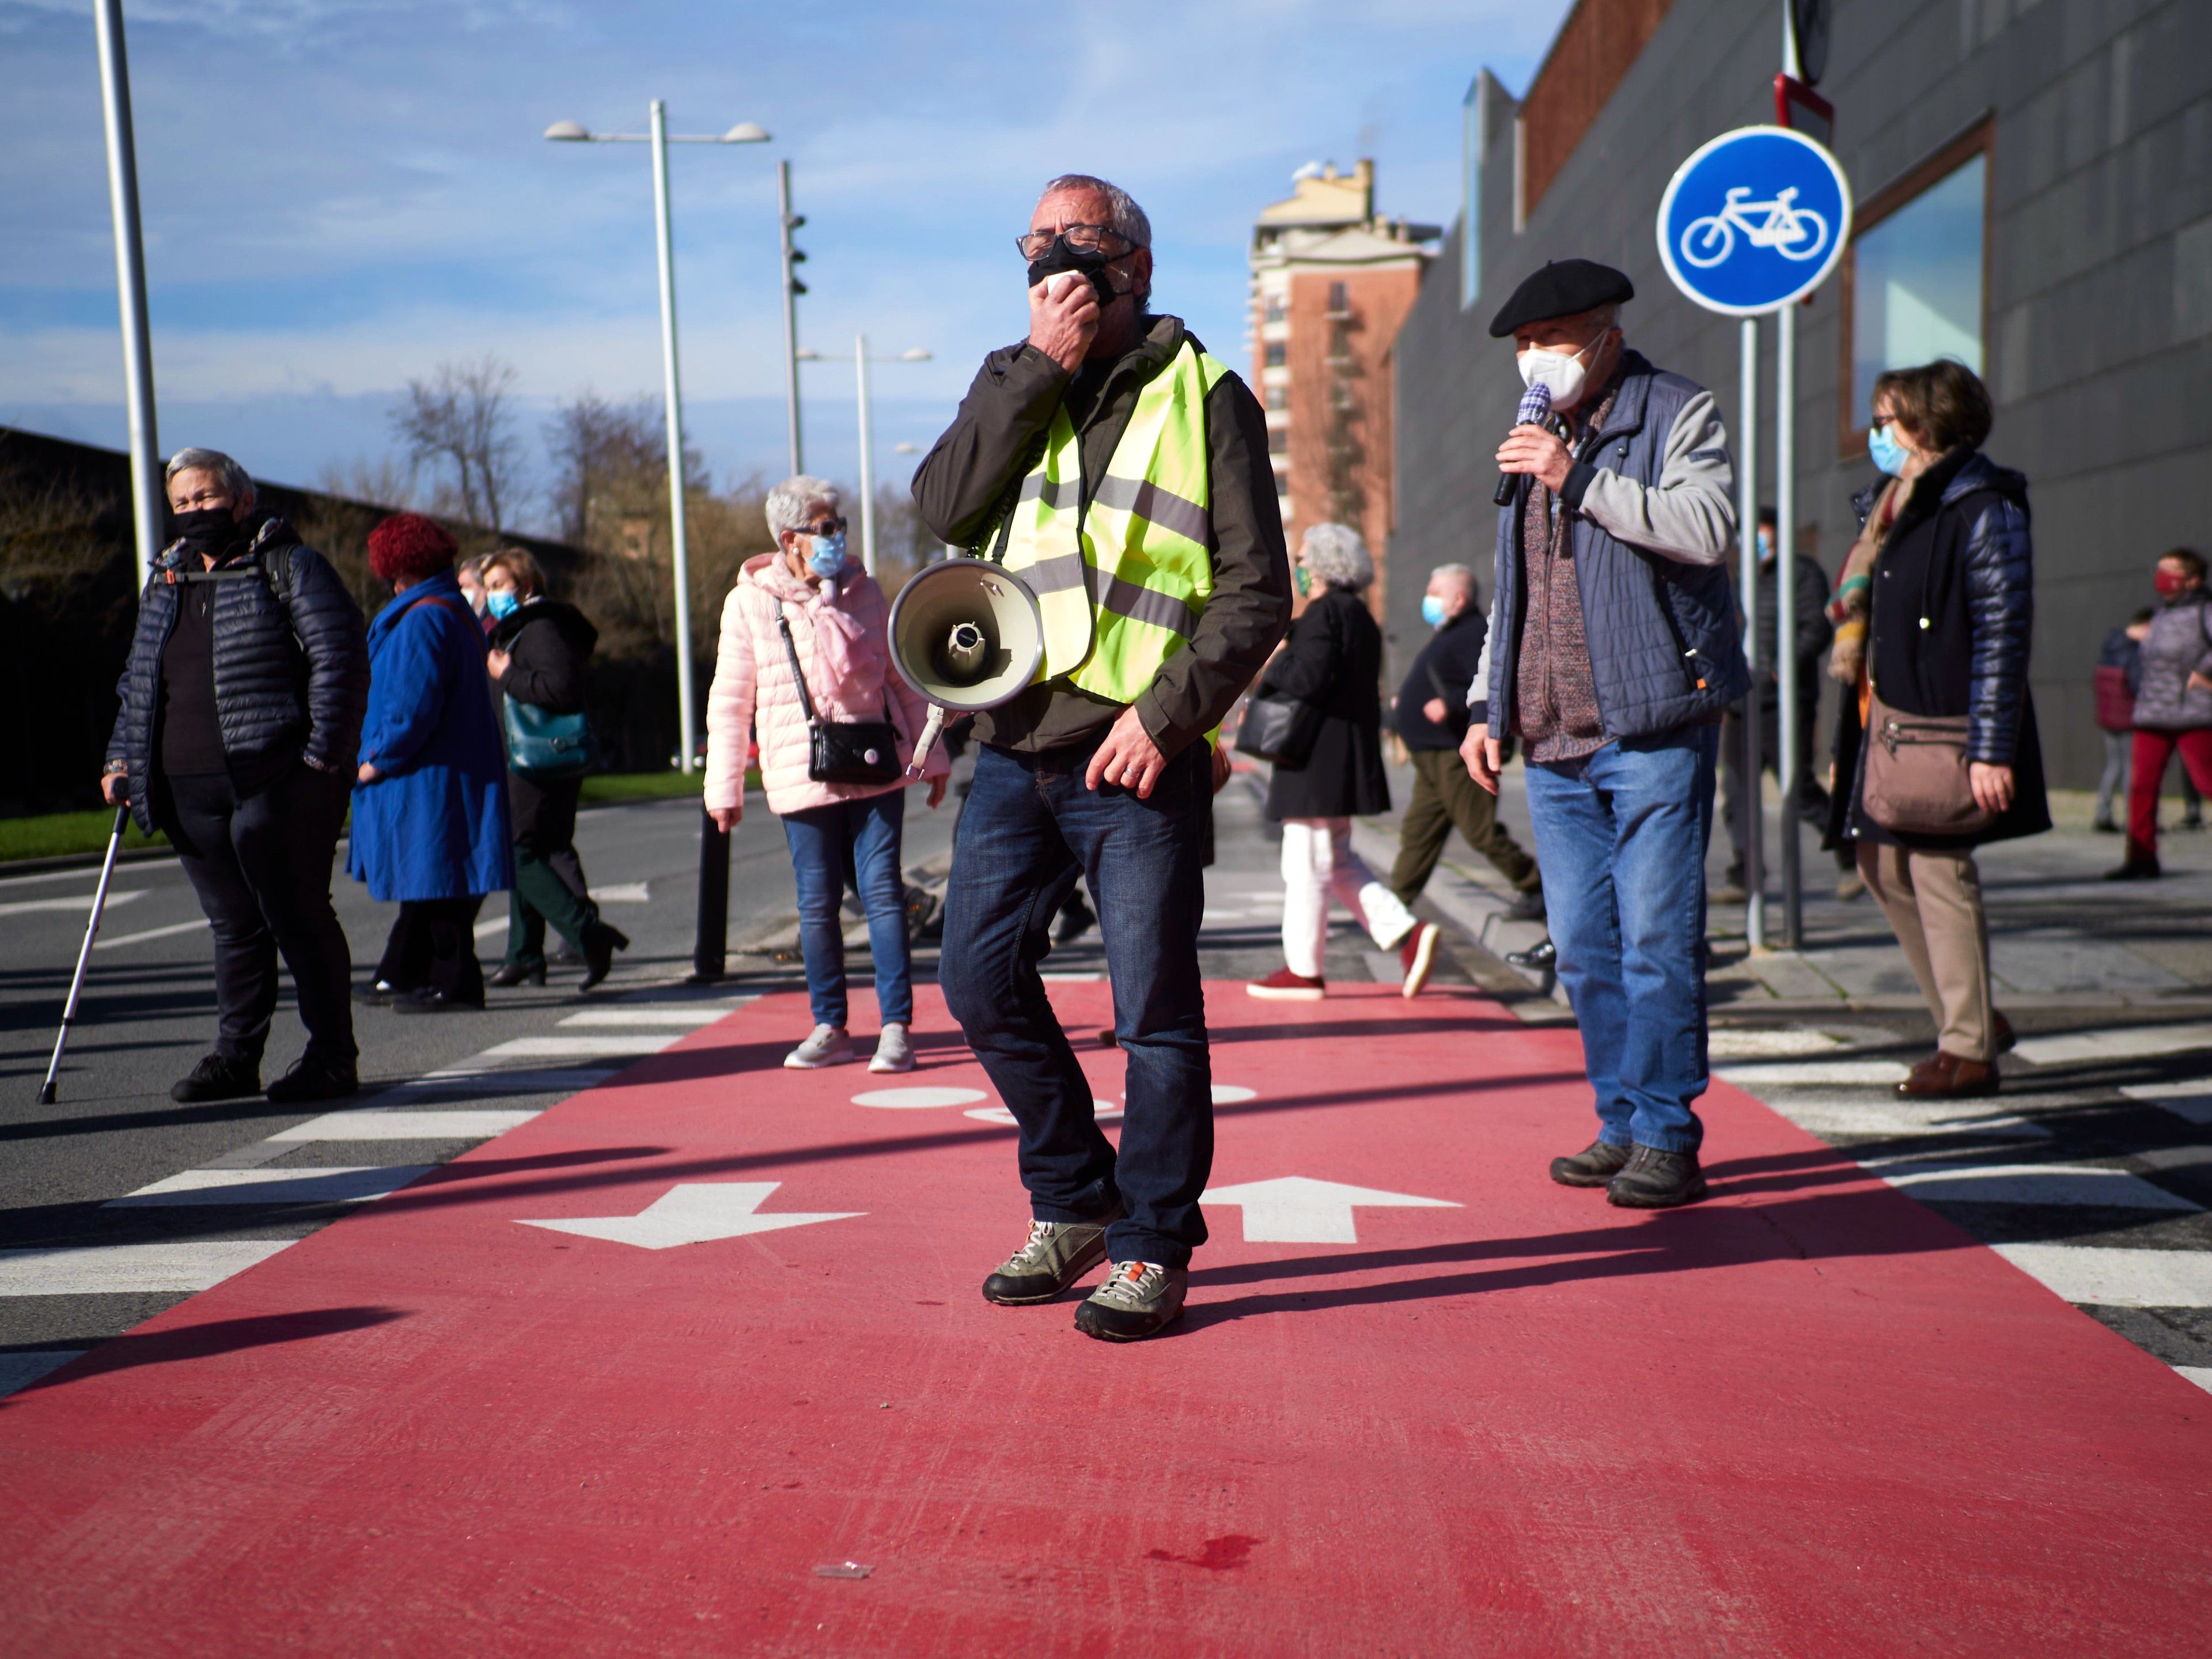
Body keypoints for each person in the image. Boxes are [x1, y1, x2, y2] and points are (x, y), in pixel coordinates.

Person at [912, 172, 1290, 1340]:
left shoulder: (1205, 394)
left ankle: (1152, 1243)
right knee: (975, 980)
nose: (1050, 261)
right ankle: (1075, 1198)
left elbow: (1255, 591)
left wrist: (1165, 717)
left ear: (1135, 264)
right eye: (1034, 241)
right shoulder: (1011, 375)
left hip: (1136, 757)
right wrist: (1037, 365)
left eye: (1075, 241)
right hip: (1013, 748)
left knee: (1154, 1015)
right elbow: (941, 505)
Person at [1462, 259, 1747, 1209]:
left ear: (1604, 337)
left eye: (1549, 343)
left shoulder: (1674, 410)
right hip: (1551, 737)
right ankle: (1620, 1120)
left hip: (1652, 720)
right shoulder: (1530, 435)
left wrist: (1577, 477)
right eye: (1522, 349)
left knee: (1658, 941)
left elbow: (1706, 528)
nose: (1535, 362)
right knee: (1584, 948)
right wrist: (1482, 704)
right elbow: (1518, 591)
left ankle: (1667, 1132)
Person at [101, 447, 369, 1104]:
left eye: (206, 497)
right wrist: (121, 758)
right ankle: (236, 1057)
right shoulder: (166, 580)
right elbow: (139, 681)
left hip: (277, 779)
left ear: (243, 500)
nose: (196, 513)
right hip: (185, 786)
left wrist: (320, 760)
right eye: (183, 504)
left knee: (297, 915)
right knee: (233, 927)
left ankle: (333, 1057)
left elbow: (341, 659)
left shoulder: (290, 566)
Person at [1828, 361, 2047, 1097]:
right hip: (1883, 721)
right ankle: (1974, 1015)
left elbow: (2003, 631)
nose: (1875, 436)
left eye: (1885, 421)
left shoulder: (1981, 504)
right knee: (1880, 867)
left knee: (1938, 872)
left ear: (1926, 425)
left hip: (1943, 725)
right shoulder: (1896, 506)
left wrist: (1991, 746)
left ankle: (1969, 1049)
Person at [702, 476, 949, 1072]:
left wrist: (931, 755)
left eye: (841, 525)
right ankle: (830, 1026)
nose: (840, 536)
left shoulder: (865, 592)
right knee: (817, 903)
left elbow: (903, 680)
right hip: (799, 769)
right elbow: (731, 701)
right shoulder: (750, 603)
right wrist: (724, 787)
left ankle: (896, 1030)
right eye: (828, 527)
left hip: (874, 765)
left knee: (883, 893)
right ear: (791, 540)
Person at [1246, 522, 1441, 1001]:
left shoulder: (1324, 615)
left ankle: (1304, 969)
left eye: (1305, 558)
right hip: (1343, 756)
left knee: (1305, 862)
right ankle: (1405, 934)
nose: (1300, 567)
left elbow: (1308, 677)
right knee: (1337, 859)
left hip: (1314, 759)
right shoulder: (1358, 615)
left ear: (1328, 563)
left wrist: (1277, 660)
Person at [349, 514, 514, 1011]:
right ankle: (402, 972)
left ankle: (454, 982)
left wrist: (375, 759)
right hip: (446, 766)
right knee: (431, 878)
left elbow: (410, 705)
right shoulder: (449, 610)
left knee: (436, 875)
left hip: (426, 773)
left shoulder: (422, 617)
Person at [481, 547, 628, 990]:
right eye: (487, 588)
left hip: (535, 761)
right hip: (542, 758)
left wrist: (507, 676)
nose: (491, 597)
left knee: (516, 851)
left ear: (524, 587)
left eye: (498, 587)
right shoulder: (531, 627)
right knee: (537, 847)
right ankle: (524, 953)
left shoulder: (540, 628)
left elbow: (561, 689)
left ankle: (588, 933)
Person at [1385, 562, 1544, 923]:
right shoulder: (1448, 632)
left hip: (1453, 752)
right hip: (1430, 756)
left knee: (1481, 833)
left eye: (1435, 593)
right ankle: (1393, 909)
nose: (1428, 600)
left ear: (1458, 598)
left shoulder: (1473, 632)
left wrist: (1450, 704)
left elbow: (1491, 682)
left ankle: (1536, 887)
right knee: (1419, 833)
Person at [1717, 505, 1835, 901]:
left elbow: (1816, 627)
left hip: (1784, 699)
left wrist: (1783, 667)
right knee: (1736, 792)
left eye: (1761, 530)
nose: (1754, 539)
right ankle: (1746, 871)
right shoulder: (1741, 578)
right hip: (1744, 698)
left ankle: (1853, 850)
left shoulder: (1800, 573)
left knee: (1797, 789)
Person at [2109, 548, 2212, 880]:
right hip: (2152, 714)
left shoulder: (2205, 611)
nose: (2162, 574)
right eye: (2160, 568)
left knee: (2207, 782)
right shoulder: (2161, 613)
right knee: (2141, 787)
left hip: (2192, 712)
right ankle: (2141, 858)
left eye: (2171, 570)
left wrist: (2205, 672)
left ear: (2193, 579)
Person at [2092, 609, 2150, 834]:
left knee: (2113, 767)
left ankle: (2103, 814)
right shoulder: (2132, 653)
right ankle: (2132, 819)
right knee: (2129, 769)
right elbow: (2139, 686)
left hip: (2108, 719)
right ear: (2145, 626)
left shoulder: (2109, 647)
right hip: (2127, 719)